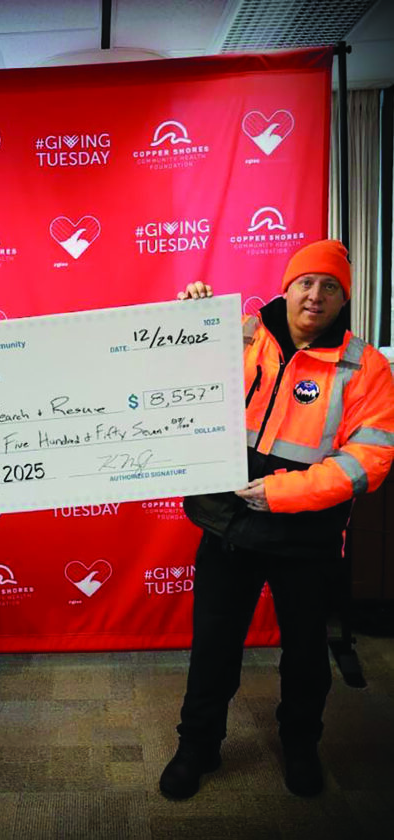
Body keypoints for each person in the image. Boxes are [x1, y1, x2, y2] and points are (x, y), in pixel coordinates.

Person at [159, 239, 394, 799]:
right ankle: (197, 746)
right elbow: (171, 385)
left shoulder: (367, 366)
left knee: (307, 655)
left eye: (330, 286)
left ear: (344, 299)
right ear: (286, 287)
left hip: (307, 533)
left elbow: (369, 459)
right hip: (229, 523)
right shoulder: (235, 334)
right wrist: (187, 323)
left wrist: (284, 492)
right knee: (213, 646)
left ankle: (300, 745)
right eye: (306, 282)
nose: (316, 295)